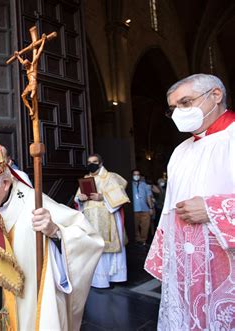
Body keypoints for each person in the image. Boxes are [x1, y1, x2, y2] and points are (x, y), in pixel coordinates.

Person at [0, 114, 104, 330]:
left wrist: (55, 231)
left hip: (29, 301)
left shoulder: (33, 203)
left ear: (6, 183)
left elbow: (90, 238)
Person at [144, 74, 235, 330]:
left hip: (225, 268)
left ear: (215, 95)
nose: (178, 114)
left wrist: (213, 209)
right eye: (173, 108)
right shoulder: (180, 151)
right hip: (185, 267)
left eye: (185, 103)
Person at [75, 153, 130, 288]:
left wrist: (102, 197)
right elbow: (78, 199)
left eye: (94, 162)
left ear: (100, 163)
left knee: (107, 247)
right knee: (94, 246)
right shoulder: (86, 179)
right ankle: (97, 280)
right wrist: (80, 199)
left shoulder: (110, 177)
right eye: (89, 162)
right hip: (90, 219)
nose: (91, 164)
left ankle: (113, 277)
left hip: (107, 216)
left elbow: (120, 197)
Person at [131, 169, 154, 246]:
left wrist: (151, 208)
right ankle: (137, 239)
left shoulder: (144, 184)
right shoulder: (129, 184)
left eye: (138, 174)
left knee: (145, 226)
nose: (136, 176)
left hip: (145, 209)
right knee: (135, 226)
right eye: (134, 174)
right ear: (132, 175)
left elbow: (148, 196)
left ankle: (143, 240)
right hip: (134, 209)